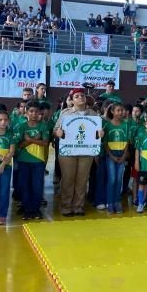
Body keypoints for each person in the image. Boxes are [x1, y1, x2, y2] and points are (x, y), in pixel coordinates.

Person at [53, 88, 101, 217]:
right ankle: (66, 206)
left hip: (86, 151)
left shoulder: (93, 114)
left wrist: (100, 134)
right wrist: (58, 132)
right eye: (77, 96)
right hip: (68, 151)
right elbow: (55, 129)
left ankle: (78, 206)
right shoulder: (65, 113)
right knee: (68, 179)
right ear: (72, 100)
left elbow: (96, 133)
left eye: (82, 95)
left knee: (82, 180)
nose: (80, 97)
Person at [15, 100, 49, 220]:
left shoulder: (43, 126)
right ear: (26, 112)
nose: (34, 114)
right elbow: (19, 145)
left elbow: (45, 143)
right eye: (31, 111)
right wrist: (34, 139)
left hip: (38, 161)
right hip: (23, 160)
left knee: (37, 186)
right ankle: (27, 209)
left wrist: (30, 139)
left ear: (40, 112)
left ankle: (36, 209)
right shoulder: (21, 126)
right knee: (25, 185)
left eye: (36, 111)